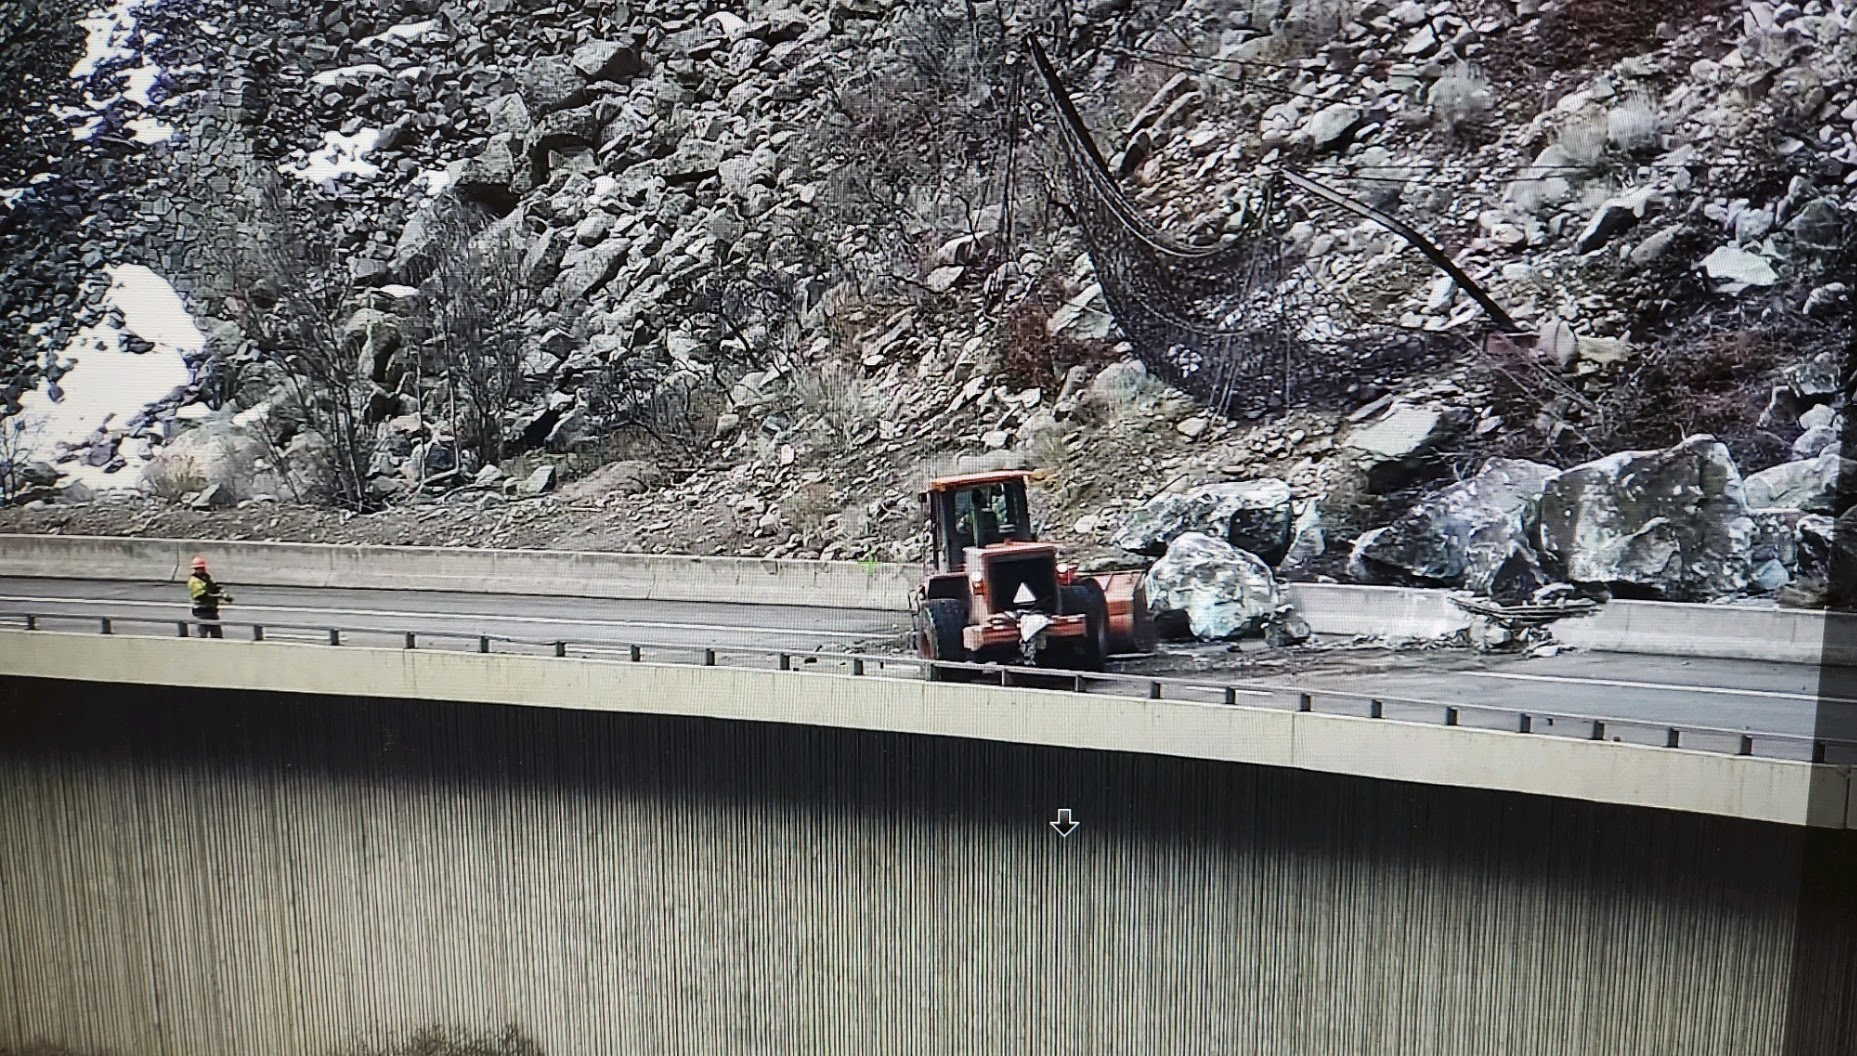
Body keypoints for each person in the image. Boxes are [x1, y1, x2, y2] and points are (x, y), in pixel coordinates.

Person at [187, 556, 232, 638]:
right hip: (201, 611)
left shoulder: (206, 577)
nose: (201, 570)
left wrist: (222, 592)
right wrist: (219, 596)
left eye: (202, 568)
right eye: (198, 568)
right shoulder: (194, 581)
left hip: (212, 610)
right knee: (202, 634)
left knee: (217, 634)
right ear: (195, 569)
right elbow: (202, 596)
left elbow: (214, 587)